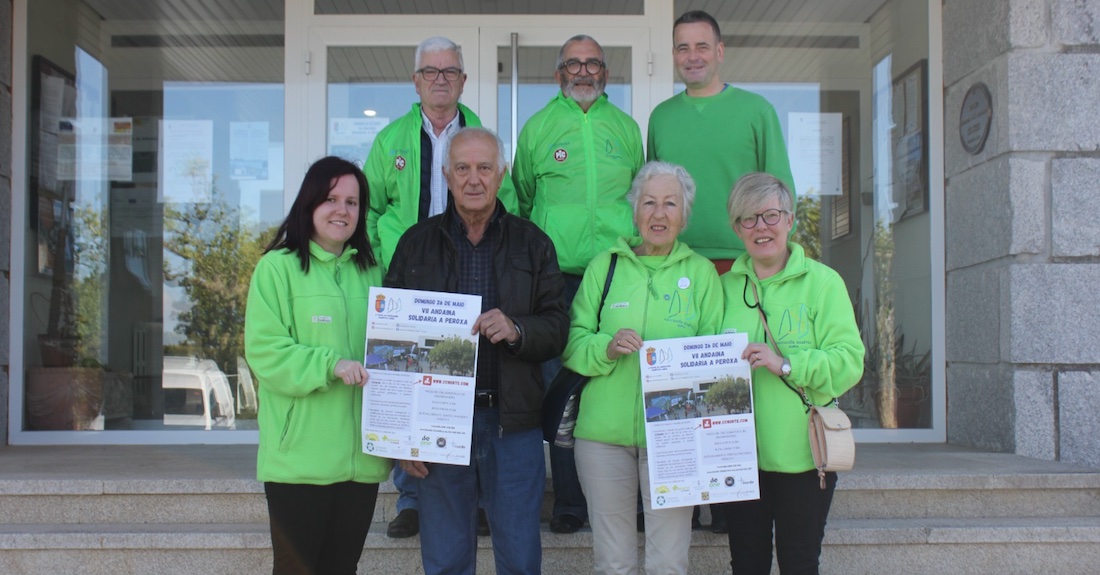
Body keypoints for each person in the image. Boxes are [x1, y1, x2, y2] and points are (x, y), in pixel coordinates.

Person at [385, 126, 568, 575]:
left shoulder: (534, 242)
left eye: (484, 168)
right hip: (438, 424)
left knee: (520, 561)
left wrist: (518, 328)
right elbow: (392, 342)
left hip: (514, 425)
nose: (473, 179)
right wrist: (402, 435)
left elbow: (558, 327)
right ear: (446, 176)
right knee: (446, 562)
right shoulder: (415, 243)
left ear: (501, 174)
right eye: (462, 168)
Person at [364, 35, 510, 538]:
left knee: (464, 382)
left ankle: (477, 497)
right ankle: (412, 497)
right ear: (417, 80)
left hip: (471, 267)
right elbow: (372, 207)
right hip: (414, 276)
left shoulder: (481, 137)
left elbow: (502, 199)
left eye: (450, 71)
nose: (441, 79)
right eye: (431, 71)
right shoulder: (390, 140)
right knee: (412, 380)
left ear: (464, 81)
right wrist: (392, 256)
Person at [562, 161, 723, 575]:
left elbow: (717, 359)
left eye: (671, 203)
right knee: (612, 563)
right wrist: (607, 347)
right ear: (634, 211)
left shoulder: (702, 275)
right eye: (649, 202)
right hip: (602, 438)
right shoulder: (605, 267)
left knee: (669, 562)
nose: (659, 213)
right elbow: (573, 343)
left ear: (684, 215)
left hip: (676, 438)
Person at [512, 33, 644, 535]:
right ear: (558, 74)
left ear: (605, 74)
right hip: (556, 279)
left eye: (593, 64)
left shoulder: (626, 129)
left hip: (617, 274)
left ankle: (630, 502)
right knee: (563, 387)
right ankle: (569, 501)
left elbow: (642, 199)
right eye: (574, 64)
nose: (583, 72)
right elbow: (522, 202)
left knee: (620, 380)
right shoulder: (539, 129)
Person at [244, 156, 391, 574]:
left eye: (352, 201)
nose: (342, 210)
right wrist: (330, 364)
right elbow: (266, 352)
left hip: (359, 464)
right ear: (309, 203)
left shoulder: (372, 272)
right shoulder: (277, 268)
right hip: (299, 463)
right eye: (331, 199)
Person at [719, 172, 864, 575]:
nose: (760, 227)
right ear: (736, 228)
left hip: (804, 458)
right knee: (746, 566)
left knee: (799, 563)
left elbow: (850, 360)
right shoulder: (725, 287)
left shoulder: (822, 283)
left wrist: (787, 364)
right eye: (748, 219)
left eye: (769, 215)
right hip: (739, 458)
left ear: (790, 221)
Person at [647, 10, 796, 275]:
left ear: (719, 51)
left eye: (702, 47)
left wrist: (776, 261)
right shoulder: (661, 117)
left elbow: (782, 194)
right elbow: (651, 195)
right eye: (683, 48)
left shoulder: (757, 111)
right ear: (673, 55)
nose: (692, 57)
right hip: (676, 261)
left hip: (743, 260)